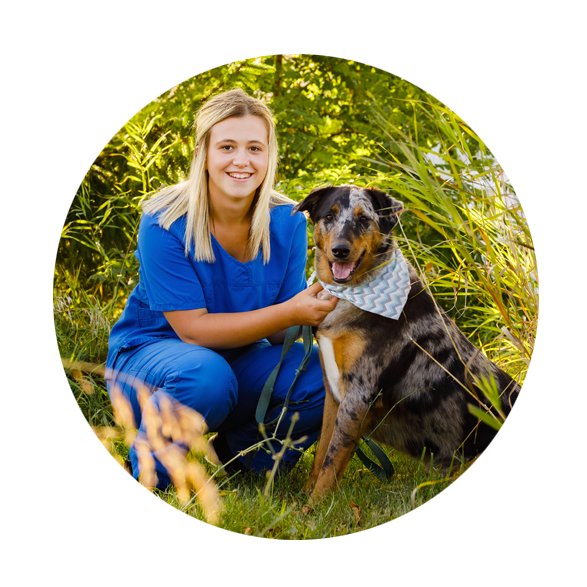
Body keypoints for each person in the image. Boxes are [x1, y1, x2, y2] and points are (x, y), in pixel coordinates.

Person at [104, 88, 338, 490]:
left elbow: (282, 329)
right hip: (155, 363)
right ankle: (148, 473)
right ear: (204, 154)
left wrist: (328, 307)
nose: (241, 160)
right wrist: (291, 313)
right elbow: (193, 331)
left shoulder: (287, 221)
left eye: (254, 147)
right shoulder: (164, 220)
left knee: (328, 376)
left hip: (240, 364)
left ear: (269, 155)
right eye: (227, 146)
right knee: (205, 376)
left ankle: (240, 457)